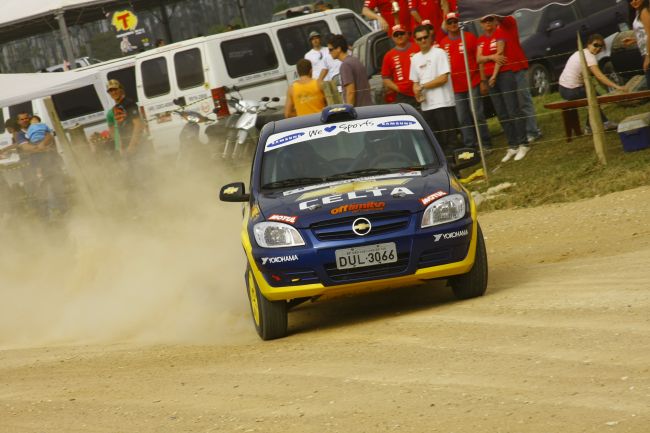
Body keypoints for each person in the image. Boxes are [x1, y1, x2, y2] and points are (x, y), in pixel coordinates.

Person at [477, 14, 529, 162]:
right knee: (501, 112)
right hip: (489, 78)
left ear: (494, 22)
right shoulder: (480, 39)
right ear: (480, 23)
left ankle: (523, 143)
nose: (487, 23)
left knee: (513, 109)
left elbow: (501, 56)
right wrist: (491, 58)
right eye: (484, 20)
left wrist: (493, 75)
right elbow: (479, 59)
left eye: (490, 20)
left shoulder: (501, 33)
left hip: (504, 75)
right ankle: (512, 144)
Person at [439, 12, 492, 150]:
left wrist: (482, 80)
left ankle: (485, 143)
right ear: (446, 24)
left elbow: (479, 61)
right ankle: (470, 145)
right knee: (462, 118)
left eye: (455, 21)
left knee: (477, 114)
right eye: (449, 22)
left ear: (459, 22)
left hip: (472, 82)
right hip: (455, 87)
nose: (452, 24)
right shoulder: (442, 43)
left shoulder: (469, 38)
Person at [558, 34, 625, 134]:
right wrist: (617, 87)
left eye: (600, 46)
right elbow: (599, 76)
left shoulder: (581, 53)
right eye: (595, 45)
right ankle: (602, 124)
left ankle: (594, 125)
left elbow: (592, 77)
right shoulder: (590, 57)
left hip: (563, 89)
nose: (598, 48)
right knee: (595, 98)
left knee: (595, 96)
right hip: (571, 90)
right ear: (588, 44)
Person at [409, 24, 458, 156]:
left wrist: (423, 86)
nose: (423, 40)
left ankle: (455, 168)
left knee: (449, 140)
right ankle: (444, 168)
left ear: (430, 37)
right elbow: (415, 82)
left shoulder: (439, 53)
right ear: (415, 41)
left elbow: (443, 78)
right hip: (427, 106)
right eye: (420, 39)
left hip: (443, 103)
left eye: (425, 37)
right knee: (435, 141)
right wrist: (417, 93)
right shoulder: (414, 58)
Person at [496, 15, 543, 143]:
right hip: (506, 72)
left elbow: (500, 17)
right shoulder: (497, 30)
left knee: (524, 101)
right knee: (514, 104)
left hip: (517, 68)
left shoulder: (509, 21)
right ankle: (524, 131)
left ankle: (533, 131)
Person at [15, 112, 68, 219]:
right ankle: (48, 217)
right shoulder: (20, 134)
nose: (25, 120)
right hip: (36, 166)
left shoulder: (39, 126)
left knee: (58, 188)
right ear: (18, 122)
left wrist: (41, 145)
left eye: (26, 118)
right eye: (22, 119)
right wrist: (39, 148)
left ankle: (64, 213)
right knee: (43, 191)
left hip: (52, 162)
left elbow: (49, 136)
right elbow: (25, 148)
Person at [328, 34, 373, 106]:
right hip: (367, 107)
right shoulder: (356, 60)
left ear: (339, 49)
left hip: (358, 111)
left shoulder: (345, 65)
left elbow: (350, 92)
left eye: (330, 49)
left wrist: (348, 111)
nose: (329, 52)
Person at [381, 24, 420, 106]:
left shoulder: (418, 47)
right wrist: (398, 89)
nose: (399, 36)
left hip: (421, 90)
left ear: (407, 34)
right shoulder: (388, 56)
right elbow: (385, 78)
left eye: (401, 33)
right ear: (392, 38)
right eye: (396, 34)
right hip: (403, 97)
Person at [623, 0, 650, 89]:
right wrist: (634, 40)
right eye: (630, 1)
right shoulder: (639, 12)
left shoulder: (644, 11)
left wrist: (648, 57)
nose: (633, 2)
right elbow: (645, 34)